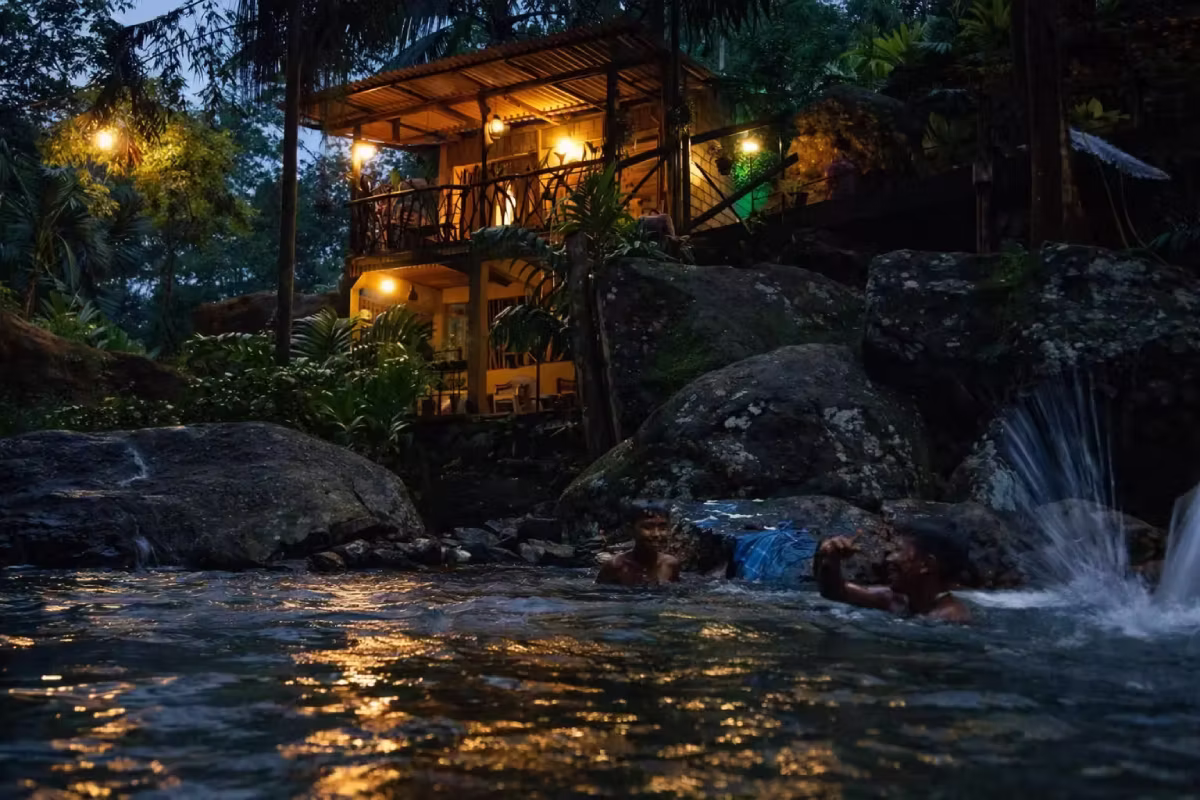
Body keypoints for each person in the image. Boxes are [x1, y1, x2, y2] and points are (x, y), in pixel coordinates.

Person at [813, 522, 972, 623]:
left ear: (926, 564)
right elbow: (835, 592)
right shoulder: (896, 600)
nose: (889, 559)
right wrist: (830, 559)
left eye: (898, 551)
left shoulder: (952, 618)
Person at [596, 508, 682, 587]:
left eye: (663, 528)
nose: (656, 534)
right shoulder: (616, 566)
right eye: (647, 527)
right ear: (630, 529)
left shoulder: (670, 564)